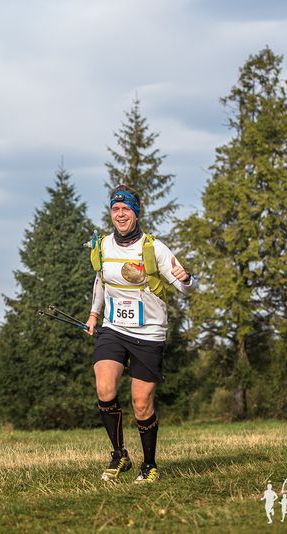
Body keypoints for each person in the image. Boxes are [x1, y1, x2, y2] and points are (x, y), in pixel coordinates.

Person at [86, 185, 196, 483]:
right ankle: (119, 455)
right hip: (114, 328)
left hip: (149, 332)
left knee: (141, 402)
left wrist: (187, 279)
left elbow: (185, 286)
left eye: (126, 209)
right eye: (115, 209)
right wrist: (94, 314)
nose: (120, 214)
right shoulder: (103, 246)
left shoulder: (154, 248)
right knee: (104, 387)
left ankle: (149, 466)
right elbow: (101, 282)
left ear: (136, 212)